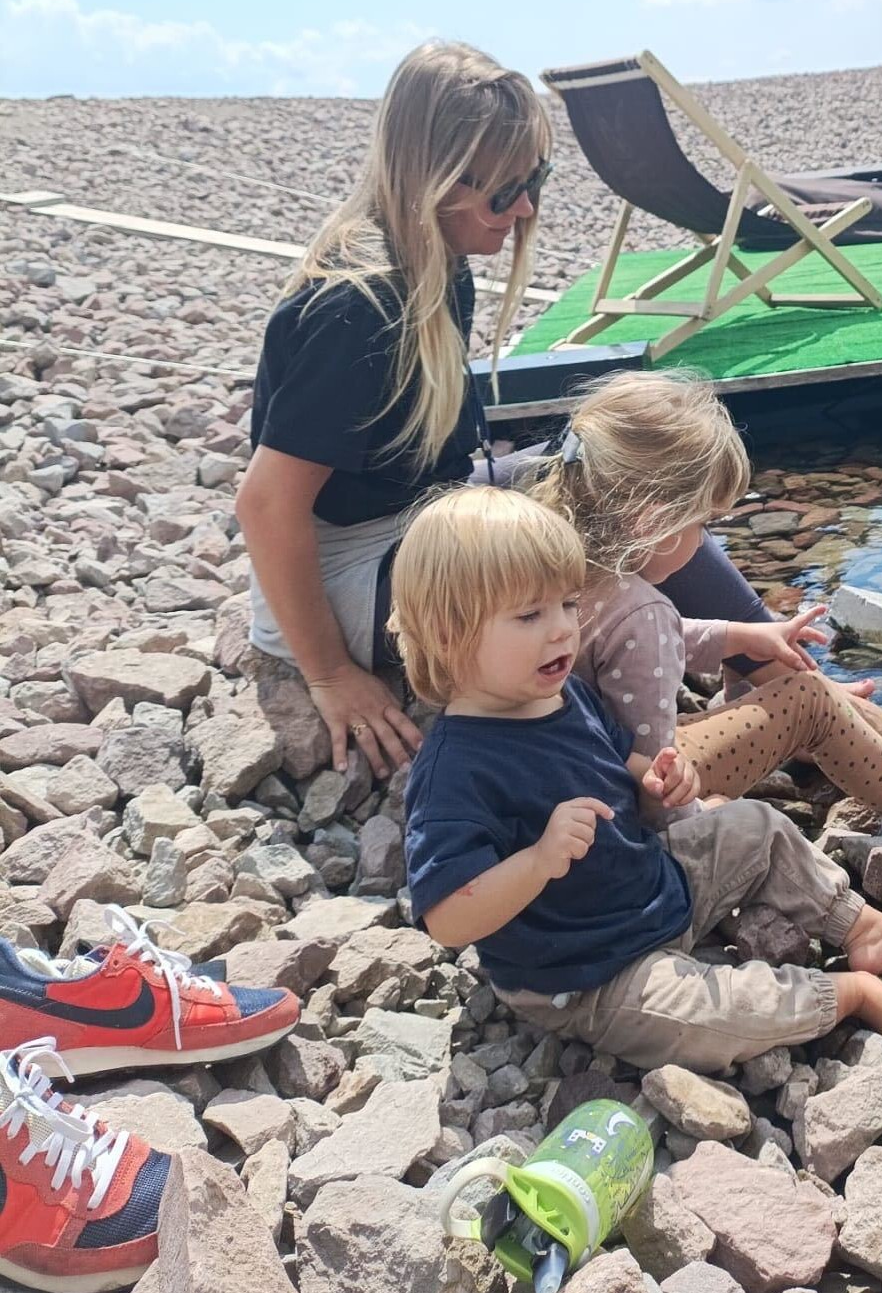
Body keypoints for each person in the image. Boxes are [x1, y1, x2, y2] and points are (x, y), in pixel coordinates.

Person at [236, 39, 778, 779]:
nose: (523, 209)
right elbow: (266, 506)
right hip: (353, 571)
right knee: (606, 580)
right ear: (433, 180)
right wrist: (331, 675)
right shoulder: (357, 310)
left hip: (423, 513)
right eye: (501, 193)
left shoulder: (439, 263)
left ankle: (773, 661)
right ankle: (658, 762)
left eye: (535, 181)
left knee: (641, 481)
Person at [395, 486, 882, 1073]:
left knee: (757, 825)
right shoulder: (455, 771)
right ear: (449, 635)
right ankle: (847, 997)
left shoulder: (565, 695)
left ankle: (861, 926)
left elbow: (616, 762)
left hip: (658, 886)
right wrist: (537, 861)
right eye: (531, 615)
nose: (561, 630)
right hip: (590, 975)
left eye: (567, 605)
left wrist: (657, 776)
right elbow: (448, 919)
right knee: (705, 1017)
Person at [534, 371, 882, 827]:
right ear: (652, 522)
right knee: (809, 697)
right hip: (614, 796)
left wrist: (736, 637)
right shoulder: (640, 610)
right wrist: (700, 823)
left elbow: (622, 646)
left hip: (553, 772)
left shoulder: (550, 562)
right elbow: (656, 770)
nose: (704, 541)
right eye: (703, 523)